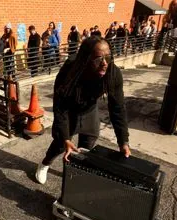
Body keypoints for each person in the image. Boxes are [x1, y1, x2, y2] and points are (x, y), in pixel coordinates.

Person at [35, 36, 131, 184]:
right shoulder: (70, 70)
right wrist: (66, 138)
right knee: (60, 144)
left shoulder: (113, 73)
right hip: (69, 110)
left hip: (89, 111)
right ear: (86, 59)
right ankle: (45, 163)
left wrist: (123, 141)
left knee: (86, 147)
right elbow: (60, 107)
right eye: (98, 59)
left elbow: (118, 108)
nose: (104, 63)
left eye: (108, 57)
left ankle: (77, 174)